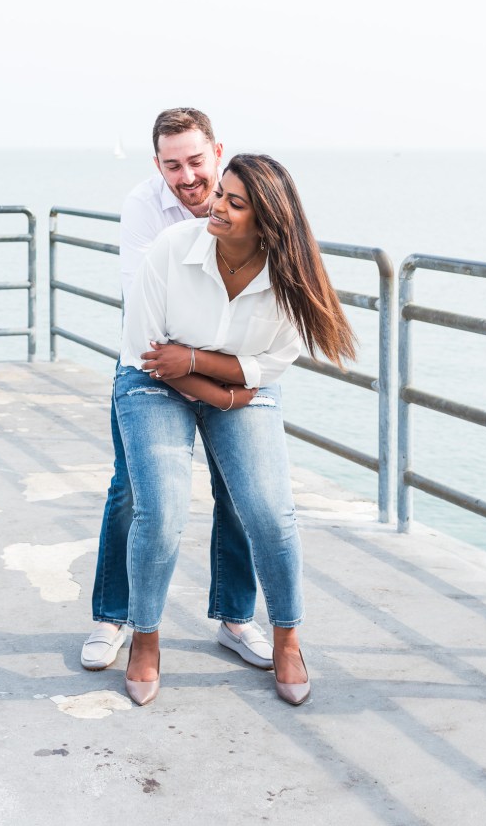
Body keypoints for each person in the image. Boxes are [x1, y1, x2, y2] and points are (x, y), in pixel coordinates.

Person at [115, 153, 356, 706]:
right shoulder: (172, 250)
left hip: (237, 384)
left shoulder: (292, 277)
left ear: (267, 220)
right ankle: (145, 640)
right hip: (152, 382)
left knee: (271, 512)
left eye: (234, 202)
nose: (215, 206)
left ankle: (288, 640)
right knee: (164, 511)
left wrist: (201, 367)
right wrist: (217, 387)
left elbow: (272, 365)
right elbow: (152, 355)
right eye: (220, 193)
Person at [81, 110, 273, 674]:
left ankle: (236, 618)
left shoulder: (250, 196)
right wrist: (202, 363)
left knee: (239, 493)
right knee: (135, 494)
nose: (187, 177)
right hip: (150, 363)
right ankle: (113, 615)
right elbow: (146, 311)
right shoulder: (144, 207)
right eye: (172, 165)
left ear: (218, 151)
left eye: (196, 161)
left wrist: (217, 370)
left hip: (229, 364)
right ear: (157, 164)